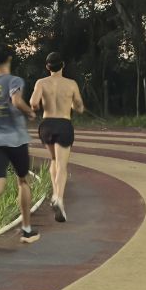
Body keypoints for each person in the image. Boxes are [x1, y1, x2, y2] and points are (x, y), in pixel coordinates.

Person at [0, 44, 39, 245]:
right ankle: (27, 230)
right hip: (16, 139)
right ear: (9, 59)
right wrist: (29, 112)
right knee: (23, 180)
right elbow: (16, 100)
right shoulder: (14, 80)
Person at [30, 51, 84, 222]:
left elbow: (33, 103)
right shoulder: (71, 84)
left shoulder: (41, 83)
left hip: (46, 125)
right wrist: (74, 105)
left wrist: (37, 103)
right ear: (63, 65)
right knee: (62, 164)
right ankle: (58, 198)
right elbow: (79, 107)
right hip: (63, 124)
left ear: (47, 67)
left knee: (53, 159)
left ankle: (55, 195)